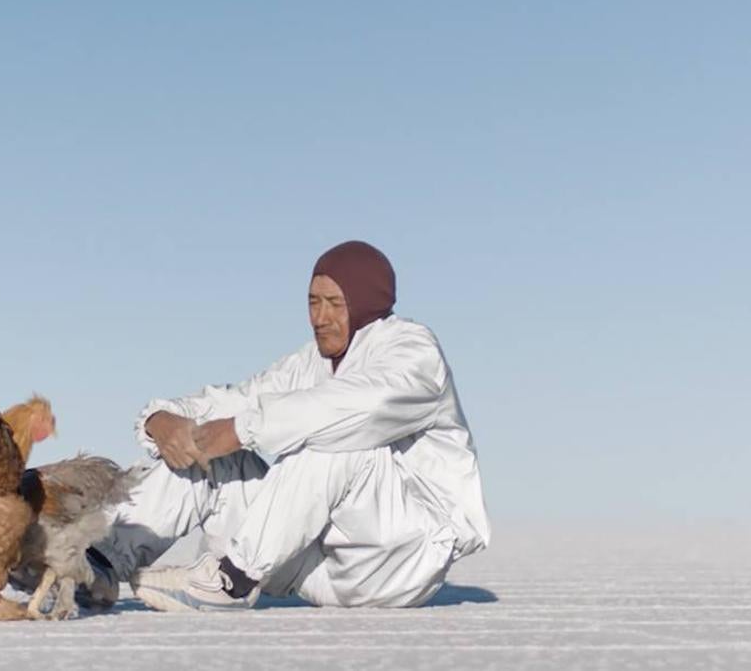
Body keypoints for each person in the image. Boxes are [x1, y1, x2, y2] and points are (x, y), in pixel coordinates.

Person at [93, 240, 489, 611]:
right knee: (214, 458)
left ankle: (230, 583)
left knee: (334, 435)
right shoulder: (309, 363)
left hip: (397, 563)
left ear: (367, 303)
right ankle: (97, 566)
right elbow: (244, 400)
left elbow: (358, 408)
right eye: (313, 302)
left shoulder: (414, 352)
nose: (319, 317)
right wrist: (162, 421)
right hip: (314, 566)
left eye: (335, 303)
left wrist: (241, 429)